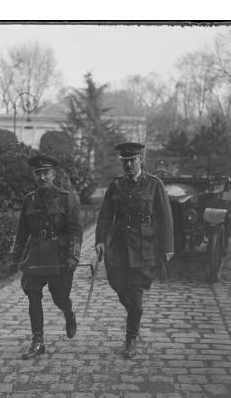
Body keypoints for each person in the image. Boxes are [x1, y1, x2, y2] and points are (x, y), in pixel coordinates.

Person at [95, 142, 174, 358]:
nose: (128, 165)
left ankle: (131, 338)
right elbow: (105, 215)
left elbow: (165, 217)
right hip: (119, 247)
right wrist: (100, 240)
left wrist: (167, 246)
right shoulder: (116, 185)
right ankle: (134, 315)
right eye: (125, 161)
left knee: (136, 295)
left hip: (143, 248)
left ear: (140, 160)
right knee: (119, 287)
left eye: (132, 160)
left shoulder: (154, 184)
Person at [10, 154, 83, 359]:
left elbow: (75, 231)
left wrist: (73, 256)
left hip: (59, 256)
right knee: (33, 294)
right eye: (38, 173)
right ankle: (38, 341)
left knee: (60, 297)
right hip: (36, 255)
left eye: (46, 173)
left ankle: (68, 312)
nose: (42, 177)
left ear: (53, 174)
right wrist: (15, 258)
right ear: (34, 175)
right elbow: (22, 232)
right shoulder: (29, 200)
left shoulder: (66, 198)